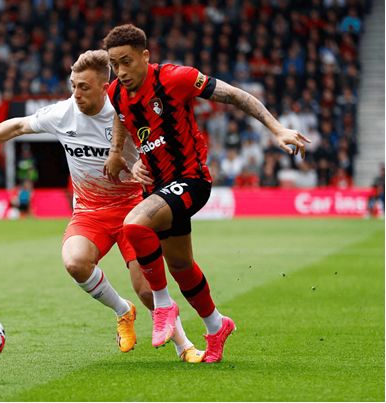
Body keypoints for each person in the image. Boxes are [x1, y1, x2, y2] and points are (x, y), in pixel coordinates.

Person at [0, 50, 204, 363]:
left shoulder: (124, 111)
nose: (76, 93)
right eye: (73, 86)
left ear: (104, 87)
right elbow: (17, 126)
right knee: (75, 262)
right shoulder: (63, 113)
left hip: (135, 208)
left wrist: (142, 165)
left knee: (148, 291)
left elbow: (158, 144)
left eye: (84, 87)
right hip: (90, 211)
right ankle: (123, 311)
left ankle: (184, 346)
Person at [103, 24, 311, 363]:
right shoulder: (116, 91)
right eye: (114, 64)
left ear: (145, 56)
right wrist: (119, 153)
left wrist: (277, 129)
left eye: (126, 62)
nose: (121, 71)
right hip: (157, 187)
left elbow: (236, 95)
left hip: (191, 179)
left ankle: (163, 306)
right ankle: (217, 325)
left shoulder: (176, 78)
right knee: (181, 266)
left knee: (134, 224)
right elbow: (121, 115)